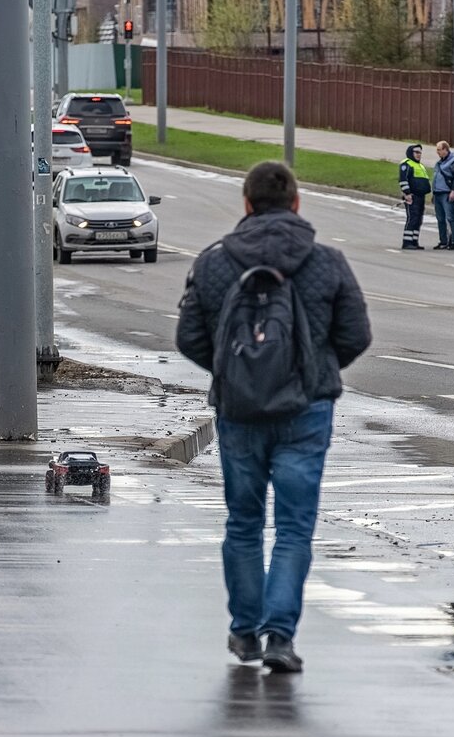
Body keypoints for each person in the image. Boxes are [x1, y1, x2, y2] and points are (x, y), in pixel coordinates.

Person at [176, 162, 372, 673]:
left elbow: (189, 338)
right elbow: (356, 336)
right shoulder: (327, 262)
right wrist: (312, 373)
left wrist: (235, 374)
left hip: (238, 413)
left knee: (243, 522)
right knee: (293, 527)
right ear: (297, 204)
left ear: (246, 204)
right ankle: (279, 637)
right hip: (306, 412)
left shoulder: (215, 262)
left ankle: (244, 632)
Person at [398, 144, 431, 250]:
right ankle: (407, 242)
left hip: (421, 196)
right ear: (411, 153)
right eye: (416, 152)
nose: (418, 155)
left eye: (420, 153)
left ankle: (414, 241)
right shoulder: (406, 164)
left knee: (418, 219)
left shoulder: (420, 166)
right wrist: (407, 193)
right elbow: (403, 180)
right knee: (412, 218)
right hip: (412, 196)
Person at [432, 141, 454, 249]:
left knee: (450, 217)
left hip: (447, 193)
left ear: (446, 149)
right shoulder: (440, 163)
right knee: (440, 219)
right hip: (438, 193)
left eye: (439, 150)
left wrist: (453, 191)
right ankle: (443, 241)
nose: (438, 152)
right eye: (437, 150)